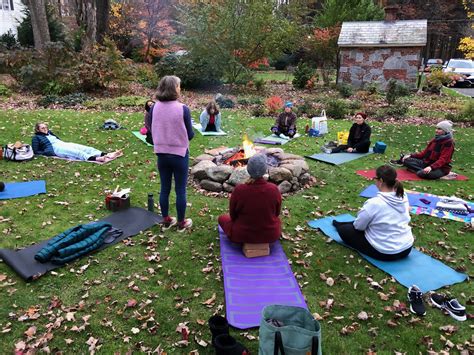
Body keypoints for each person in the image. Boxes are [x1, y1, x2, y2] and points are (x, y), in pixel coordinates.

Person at [333, 165, 413, 261]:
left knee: (344, 230)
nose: (375, 181)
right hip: (407, 248)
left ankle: (341, 225)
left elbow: (359, 227)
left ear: (381, 181)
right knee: (363, 223)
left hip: (386, 252)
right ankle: (340, 224)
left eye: (375, 178)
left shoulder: (374, 203)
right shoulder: (403, 196)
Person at [151, 75, 194, 232]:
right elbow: (190, 134)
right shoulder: (183, 109)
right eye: (178, 86)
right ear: (173, 89)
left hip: (161, 154)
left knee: (164, 188)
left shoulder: (154, 107)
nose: (180, 88)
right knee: (180, 189)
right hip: (179, 154)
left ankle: (166, 220)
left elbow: (151, 128)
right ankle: (182, 223)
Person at [218, 154, 282, 244]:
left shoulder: (239, 190)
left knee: (222, 218)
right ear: (265, 170)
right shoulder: (274, 189)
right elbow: (276, 213)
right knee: (277, 221)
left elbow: (233, 216)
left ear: (248, 169)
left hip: (241, 235)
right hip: (270, 235)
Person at [390, 120, 455, 180]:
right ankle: (421, 169)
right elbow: (424, 153)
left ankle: (426, 171)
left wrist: (431, 167)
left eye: (439, 129)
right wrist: (410, 155)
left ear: (445, 130)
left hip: (440, 168)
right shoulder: (435, 139)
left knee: (421, 173)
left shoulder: (449, 143)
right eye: (436, 128)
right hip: (426, 163)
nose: (436, 130)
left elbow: (443, 160)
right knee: (406, 160)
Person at [31, 122, 122, 162]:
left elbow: (57, 139)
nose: (45, 129)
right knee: (77, 153)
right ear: (38, 129)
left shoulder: (49, 133)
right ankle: (96, 159)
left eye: (46, 127)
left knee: (85, 148)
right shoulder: (36, 138)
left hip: (62, 143)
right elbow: (36, 151)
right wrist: (46, 152)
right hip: (55, 149)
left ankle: (106, 154)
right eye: (43, 128)